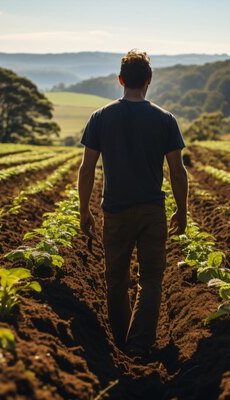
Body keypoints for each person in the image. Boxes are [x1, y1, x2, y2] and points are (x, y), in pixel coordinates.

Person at [78, 49, 189, 360]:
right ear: (149, 80)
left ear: (121, 80)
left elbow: (87, 169)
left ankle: (121, 345)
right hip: (153, 211)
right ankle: (138, 345)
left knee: (116, 280)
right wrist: (182, 210)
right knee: (151, 279)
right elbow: (177, 172)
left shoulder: (100, 118)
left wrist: (84, 209)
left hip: (114, 210)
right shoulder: (165, 119)